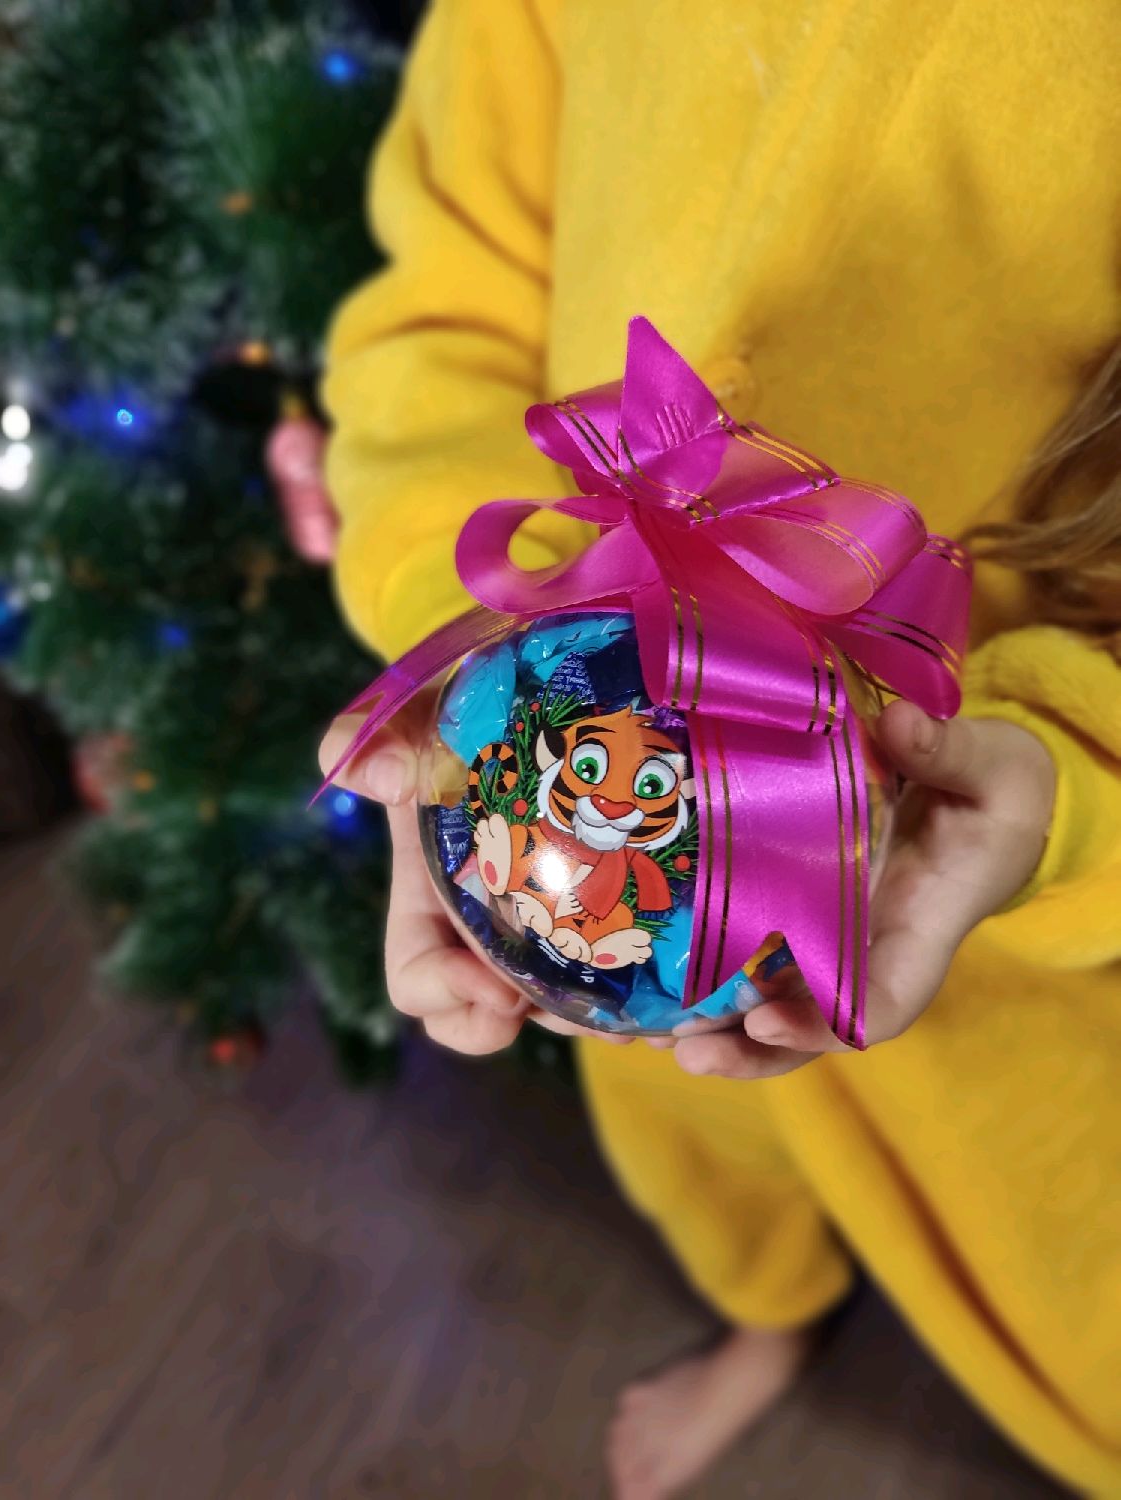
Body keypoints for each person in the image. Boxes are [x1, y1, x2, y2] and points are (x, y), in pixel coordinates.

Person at [317, 3, 1121, 1495]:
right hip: (612, 896)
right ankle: (770, 1310)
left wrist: (1070, 782)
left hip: (990, 897)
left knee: (1077, 1297)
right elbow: (453, 285)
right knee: (700, 1143)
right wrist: (470, 627)